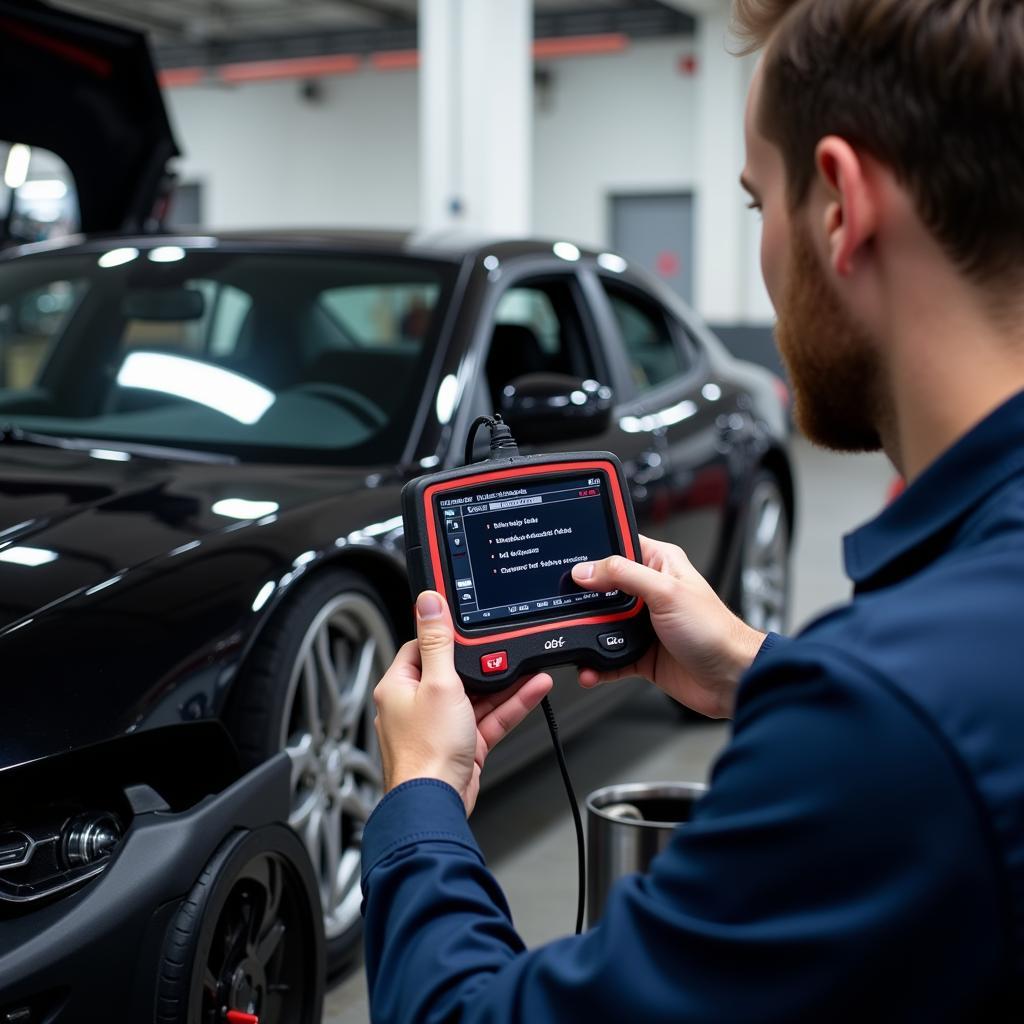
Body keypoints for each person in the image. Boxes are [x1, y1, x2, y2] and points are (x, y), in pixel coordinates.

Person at [362, 0, 1024, 1019]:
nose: (762, 253)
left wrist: (418, 796)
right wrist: (759, 670)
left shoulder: (891, 718)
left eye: (759, 205)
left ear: (840, 207)